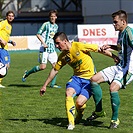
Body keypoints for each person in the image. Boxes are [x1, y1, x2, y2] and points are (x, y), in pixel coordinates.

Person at [39, 32, 119, 130]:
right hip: (76, 79)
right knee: (68, 93)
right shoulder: (63, 56)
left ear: (65, 41)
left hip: (90, 80)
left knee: (79, 103)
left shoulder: (79, 46)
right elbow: (55, 70)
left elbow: (99, 49)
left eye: (58, 43)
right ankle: (71, 123)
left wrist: (114, 57)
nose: (56, 46)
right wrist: (45, 85)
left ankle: (80, 114)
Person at [87, 10, 133, 129]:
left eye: (115, 22)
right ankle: (99, 111)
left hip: (128, 68)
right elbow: (122, 48)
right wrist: (110, 46)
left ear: (123, 21)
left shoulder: (129, 32)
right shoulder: (121, 32)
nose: (114, 24)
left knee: (113, 88)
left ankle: (115, 119)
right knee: (94, 79)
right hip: (119, 66)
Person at [22, 10, 61, 88]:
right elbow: (38, 34)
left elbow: (54, 38)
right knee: (43, 67)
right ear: (49, 17)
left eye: (54, 16)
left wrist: (58, 45)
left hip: (52, 49)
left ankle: (52, 84)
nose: (53, 18)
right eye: (51, 16)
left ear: (56, 17)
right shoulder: (45, 25)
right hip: (44, 49)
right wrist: (43, 43)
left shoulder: (56, 26)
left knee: (56, 67)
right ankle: (27, 73)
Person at [0, 10, 16, 88]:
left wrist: (10, 41)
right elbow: (2, 38)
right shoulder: (3, 23)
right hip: (1, 48)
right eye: (9, 15)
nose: (11, 17)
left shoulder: (10, 26)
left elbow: (5, 37)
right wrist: (1, 40)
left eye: (12, 16)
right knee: (5, 65)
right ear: (6, 16)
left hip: (4, 48)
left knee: (6, 65)